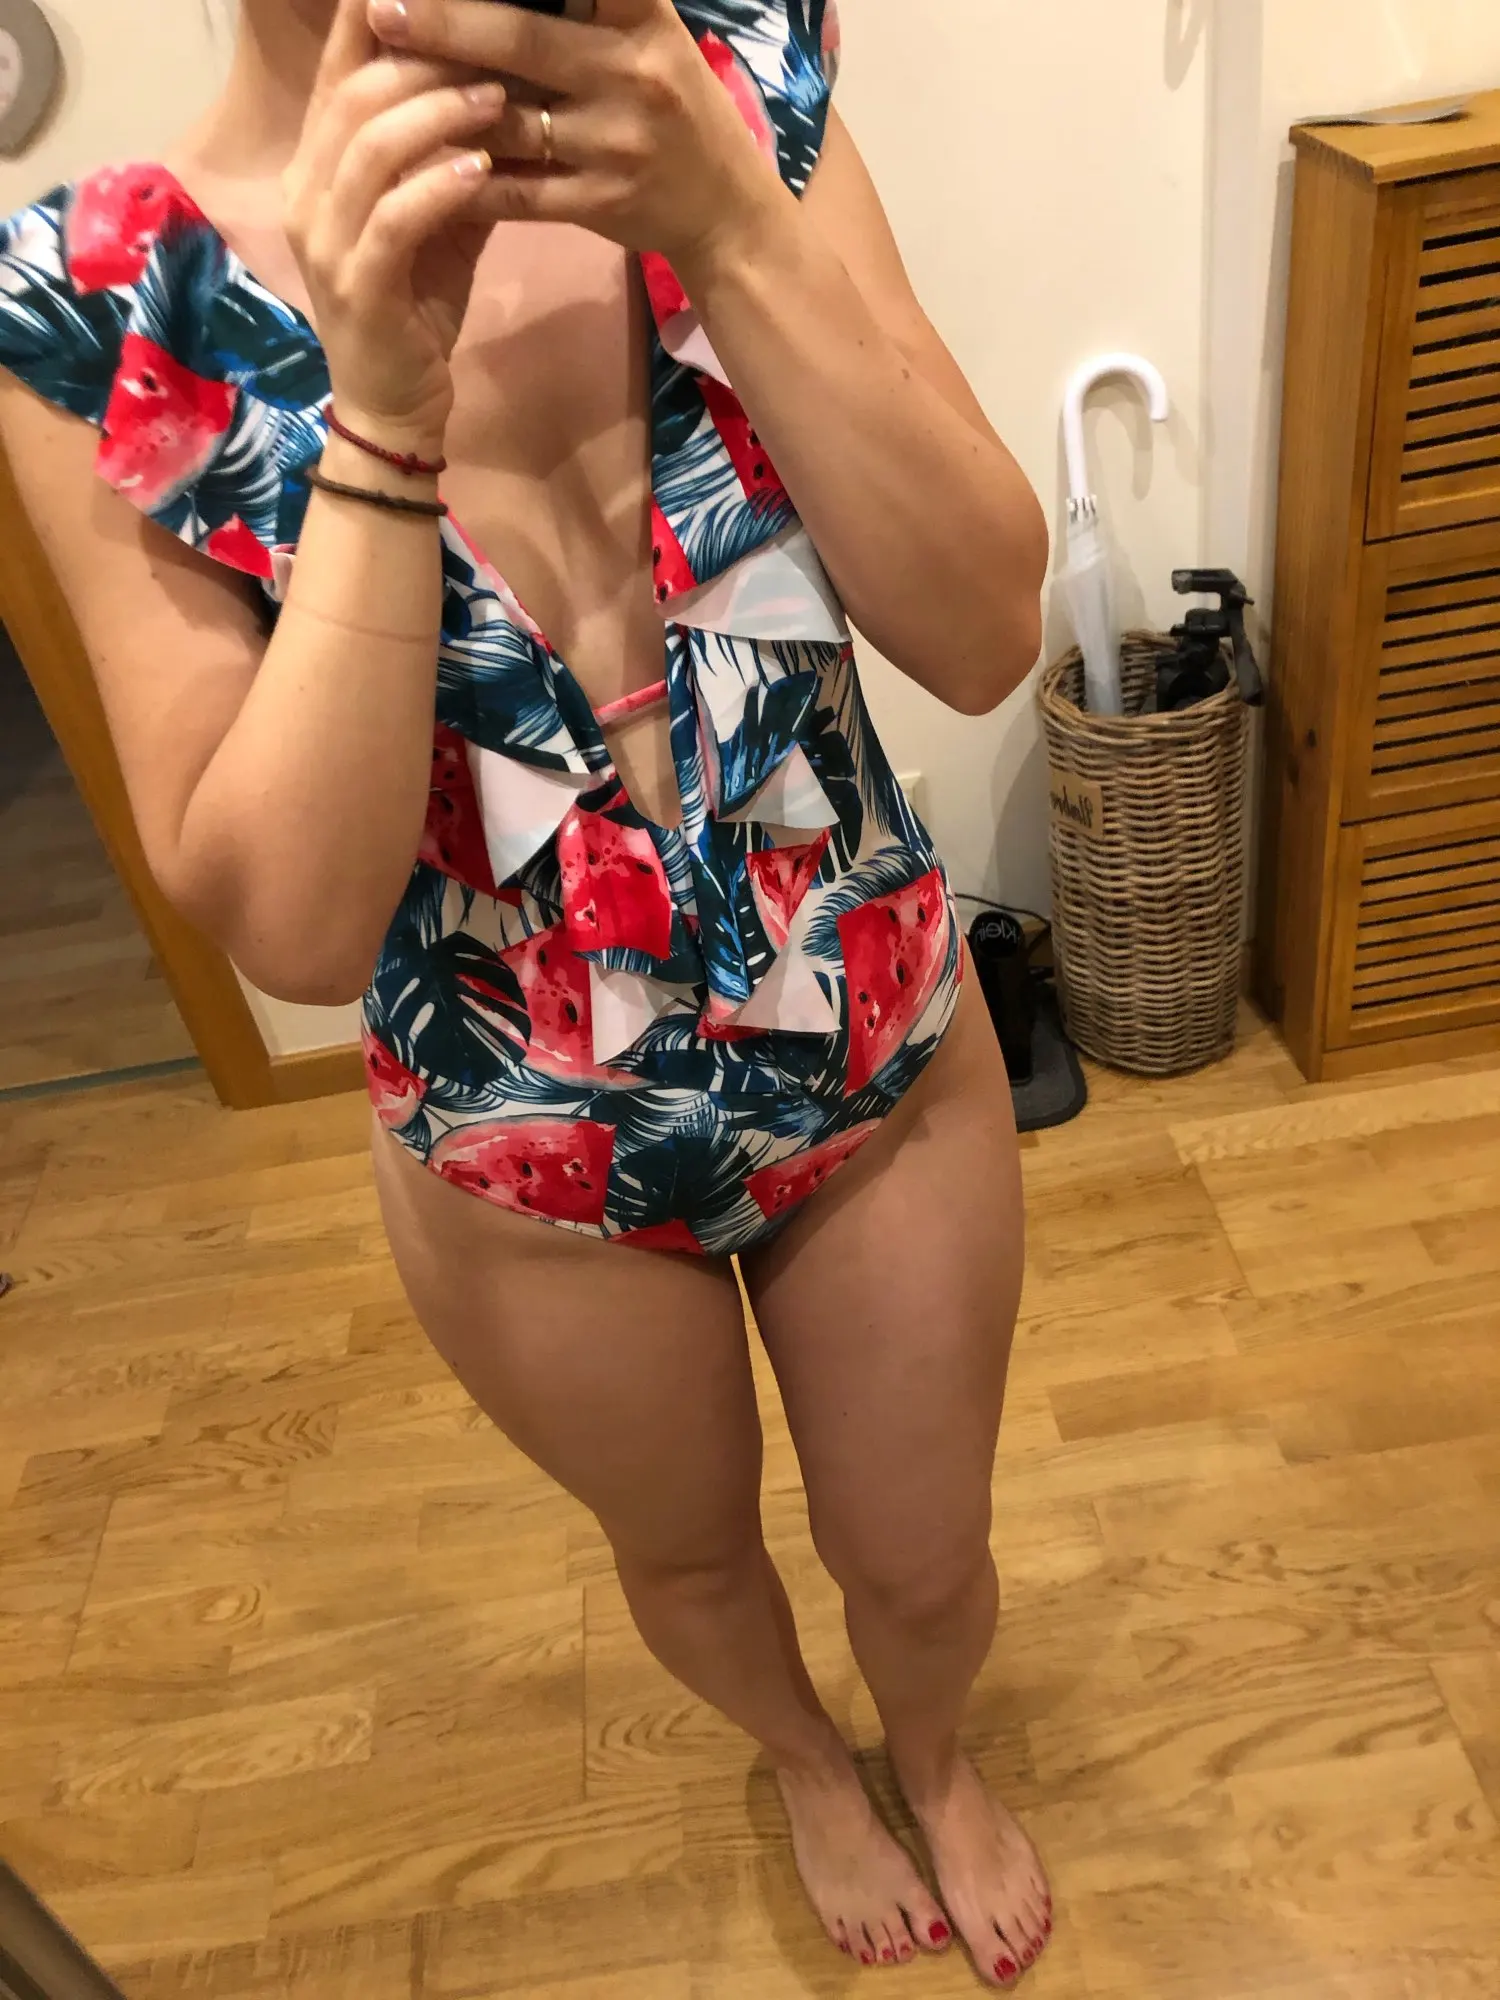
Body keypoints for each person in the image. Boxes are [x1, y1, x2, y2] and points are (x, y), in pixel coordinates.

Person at [0, 0, 1051, 1982]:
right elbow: (293, 929)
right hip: (527, 1156)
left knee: (926, 1564)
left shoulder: (728, 82)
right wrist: (377, 415)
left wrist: (727, 223)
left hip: (874, 1043)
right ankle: (809, 1767)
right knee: (688, 1555)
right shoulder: (110, 305)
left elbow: (990, 630)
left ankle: (931, 1747)